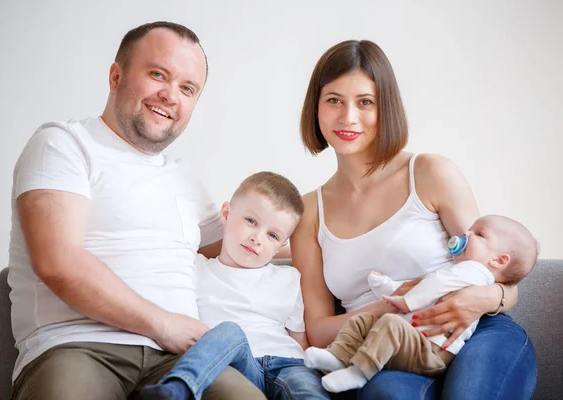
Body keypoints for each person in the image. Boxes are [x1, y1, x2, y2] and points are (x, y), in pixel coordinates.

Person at [7, 21, 265, 400]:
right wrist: (162, 324)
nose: (170, 95)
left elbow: (246, 245)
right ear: (116, 75)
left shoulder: (185, 178)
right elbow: (58, 262)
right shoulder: (62, 144)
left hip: (181, 361)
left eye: (187, 88)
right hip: (76, 346)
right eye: (158, 74)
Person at [290, 39, 537, 399]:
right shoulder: (309, 211)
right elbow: (317, 331)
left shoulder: (429, 172)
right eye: (333, 100)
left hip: (474, 331)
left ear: (385, 107)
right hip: (391, 347)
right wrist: (393, 305)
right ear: (316, 108)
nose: (348, 117)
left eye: (365, 102)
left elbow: (502, 277)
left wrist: (483, 300)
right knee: (384, 394)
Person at [141, 171, 329, 400]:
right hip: (234, 365)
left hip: (288, 363)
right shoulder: (195, 267)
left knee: (306, 389)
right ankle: (178, 388)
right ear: (226, 213)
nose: (257, 238)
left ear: (282, 244)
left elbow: (300, 339)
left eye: (272, 235)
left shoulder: (288, 278)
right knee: (230, 330)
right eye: (251, 221)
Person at [304, 215, 538, 393]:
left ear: (498, 260)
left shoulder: (474, 272)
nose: (465, 232)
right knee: (364, 320)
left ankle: (359, 372)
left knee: (390, 324)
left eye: (478, 233)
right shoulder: (459, 269)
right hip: (414, 337)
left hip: (434, 349)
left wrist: (406, 301)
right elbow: (422, 284)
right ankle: (340, 356)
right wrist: (386, 287)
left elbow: (432, 285)